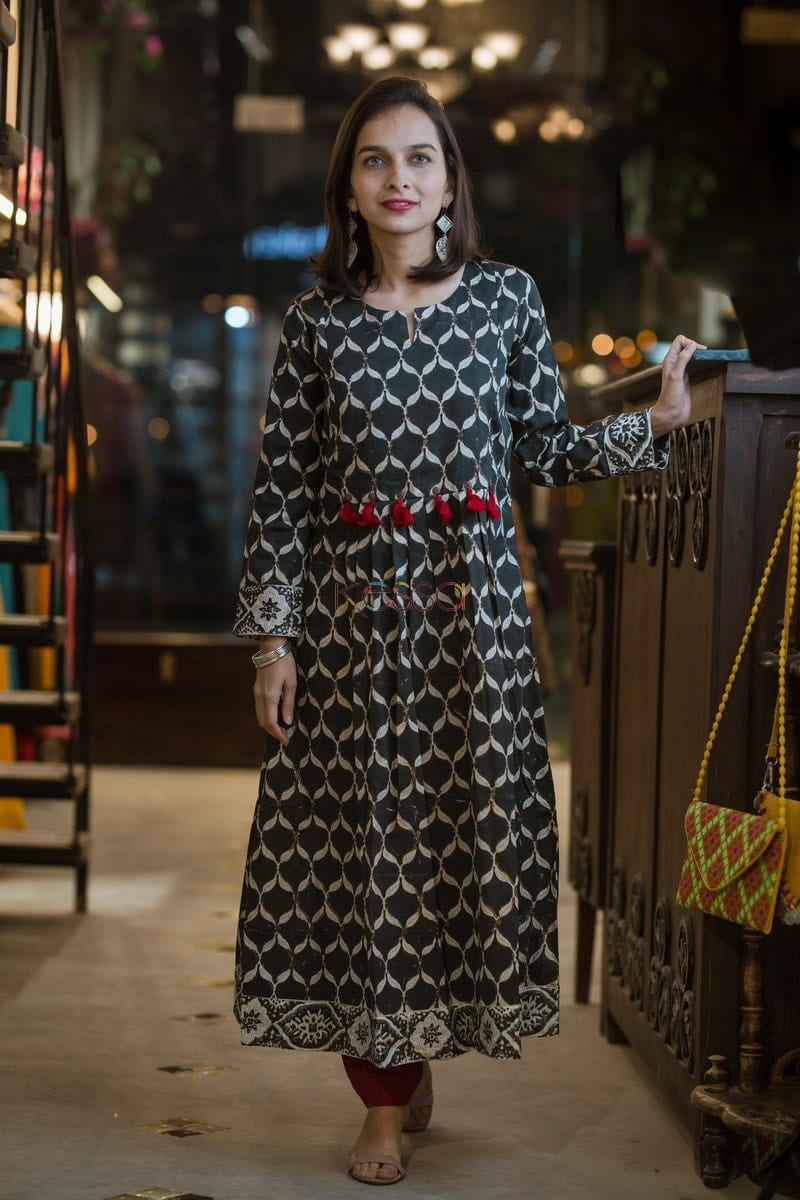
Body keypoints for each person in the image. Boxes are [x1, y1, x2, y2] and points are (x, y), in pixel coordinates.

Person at [232, 74, 703, 1187]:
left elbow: (541, 448)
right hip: (349, 631)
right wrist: (273, 643)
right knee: (361, 852)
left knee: (452, 844)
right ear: (348, 189)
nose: (398, 178)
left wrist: (649, 427)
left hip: (473, 629)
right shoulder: (315, 326)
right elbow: (283, 491)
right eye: (374, 159)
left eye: (419, 158)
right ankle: (382, 1100)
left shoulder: (505, 301)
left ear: (449, 183)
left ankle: (413, 1047)